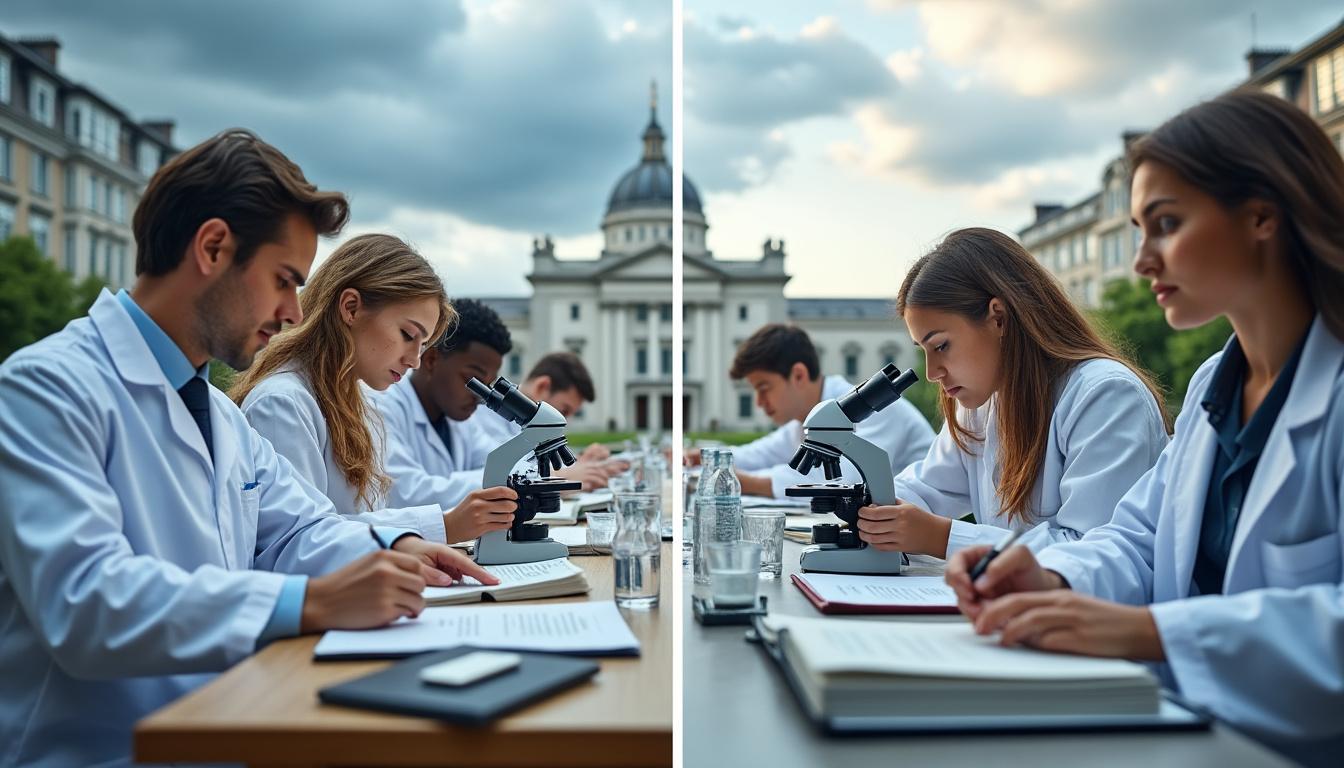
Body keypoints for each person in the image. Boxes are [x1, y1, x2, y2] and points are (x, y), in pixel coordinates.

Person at [0, 129, 495, 766]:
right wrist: (308, 601)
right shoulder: (46, 388)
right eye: (284, 281)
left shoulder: (217, 415)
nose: (294, 311)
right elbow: (87, 602)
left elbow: (298, 529)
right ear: (212, 248)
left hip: (228, 723)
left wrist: (401, 544)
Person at [945, 90, 1344, 765]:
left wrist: (1153, 633)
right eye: (1139, 230)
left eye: (1166, 224)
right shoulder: (1214, 386)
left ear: (1261, 215)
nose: (1142, 261)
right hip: (1189, 732)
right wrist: (1051, 581)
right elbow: (1138, 538)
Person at [855, 228, 1170, 559]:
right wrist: (865, 506)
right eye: (924, 351)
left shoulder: (1106, 397)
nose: (932, 373)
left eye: (941, 346)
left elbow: (1093, 554)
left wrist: (942, 537)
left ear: (999, 319)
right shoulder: (981, 403)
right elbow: (926, 489)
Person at [231, 234, 518, 544]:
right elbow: (300, 539)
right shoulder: (282, 404)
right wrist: (443, 527)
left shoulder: (360, 405)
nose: (415, 360)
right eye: (408, 335)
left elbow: (363, 518)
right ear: (351, 308)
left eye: (423, 344)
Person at [700, 323, 934, 499]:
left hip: (928, 533)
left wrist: (740, 481)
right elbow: (760, 454)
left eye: (763, 388)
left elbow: (840, 482)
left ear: (798, 375)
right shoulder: (807, 420)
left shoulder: (877, 408)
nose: (759, 402)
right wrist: (706, 458)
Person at [468, 350, 615, 467]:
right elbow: (494, 469)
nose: (566, 421)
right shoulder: (479, 420)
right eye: (564, 411)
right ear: (542, 387)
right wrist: (567, 474)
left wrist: (582, 462)